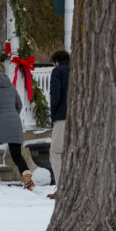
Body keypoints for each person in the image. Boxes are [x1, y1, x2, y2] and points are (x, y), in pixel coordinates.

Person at [0, 62, 34, 190]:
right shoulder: (10, 86)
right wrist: (12, 116)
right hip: (15, 123)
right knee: (16, 155)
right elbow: (20, 105)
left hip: (0, 123)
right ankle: (28, 181)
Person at [47, 50, 70, 200]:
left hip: (62, 116)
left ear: (56, 61)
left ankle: (62, 188)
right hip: (81, 118)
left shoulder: (58, 71)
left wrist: (53, 112)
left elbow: (55, 94)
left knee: (56, 152)